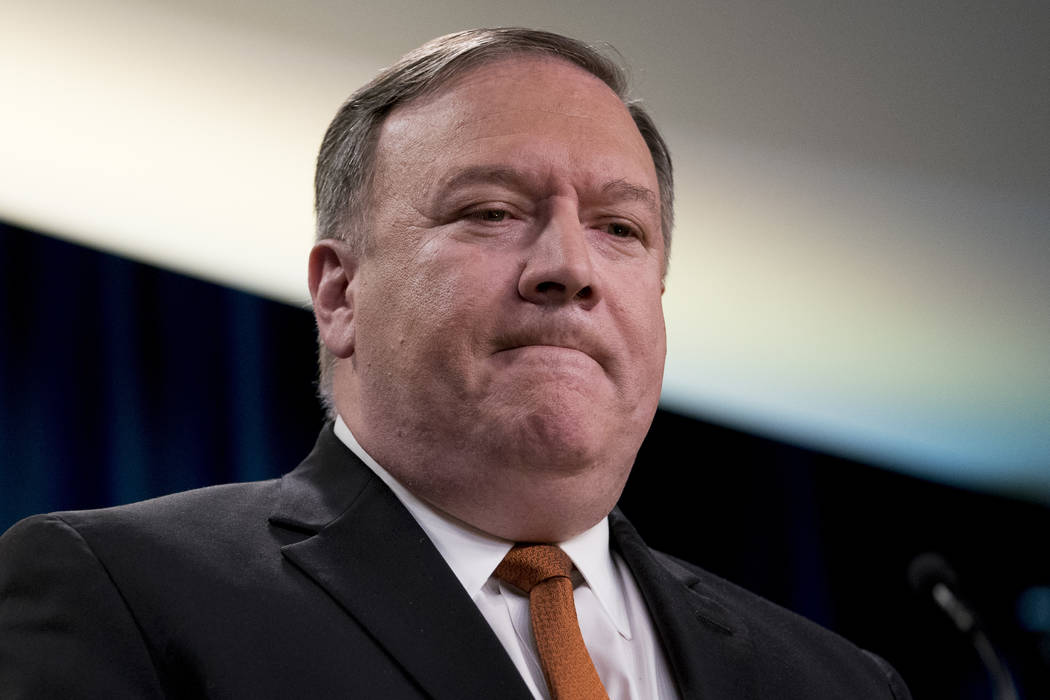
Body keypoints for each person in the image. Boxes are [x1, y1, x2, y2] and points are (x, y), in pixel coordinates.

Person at [0, 28, 910, 699]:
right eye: (491, 212)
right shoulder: (119, 593)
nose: (571, 267)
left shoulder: (839, 682)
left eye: (620, 228)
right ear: (340, 294)